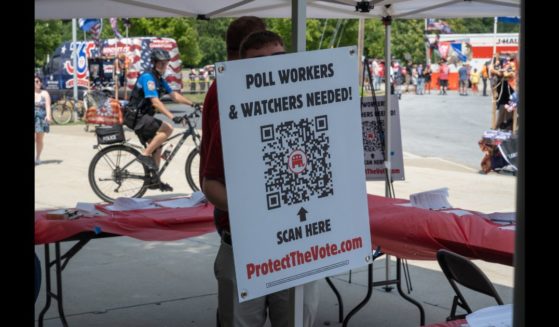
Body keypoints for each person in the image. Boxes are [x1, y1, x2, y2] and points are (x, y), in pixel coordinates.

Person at [200, 19, 318, 327]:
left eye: (278, 59)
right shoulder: (227, 107)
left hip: (298, 246)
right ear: (239, 62)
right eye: (256, 62)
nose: (269, 69)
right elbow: (210, 182)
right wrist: (253, 208)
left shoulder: (307, 110)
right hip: (243, 245)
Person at [124, 48, 198, 182]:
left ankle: (154, 179)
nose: (163, 66)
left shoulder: (159, 79)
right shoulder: (148, 78)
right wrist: (172, 116)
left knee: (158, 145)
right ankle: (144, 155)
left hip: (143, 117)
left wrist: (192, 104)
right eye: (160, 63)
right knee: (168, 128)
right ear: (154, 63)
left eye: (165, 63)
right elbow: (156, 102)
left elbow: (174, 96)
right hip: (136, 117)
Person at [35, 75, 52, 165]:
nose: (38, 83)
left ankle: (38, 157)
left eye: (39, 81)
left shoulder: (45, 93)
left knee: (39, 139)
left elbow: (48, 106)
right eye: (36, 81)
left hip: (41, 118)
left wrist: (48, 115)